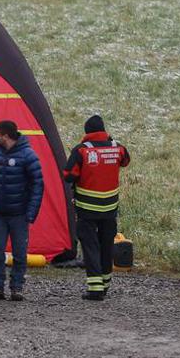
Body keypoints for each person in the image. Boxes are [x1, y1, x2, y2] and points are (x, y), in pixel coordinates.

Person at [63, 114, 130, 301]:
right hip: (109, 208)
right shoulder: (117, 147)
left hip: (87, 208)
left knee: (90, 245)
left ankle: (95, 288)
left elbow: (68, 174)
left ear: (87, 132)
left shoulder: (82, 151)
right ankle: (106, 283)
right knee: (106, 244)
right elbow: (126, 161)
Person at [0, 120, 44, 302]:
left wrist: (31, 212)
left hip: (19, 214)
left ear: (6, 136)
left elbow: (37, 185)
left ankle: (17, 287)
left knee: (19, 252)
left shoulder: (28, 155)